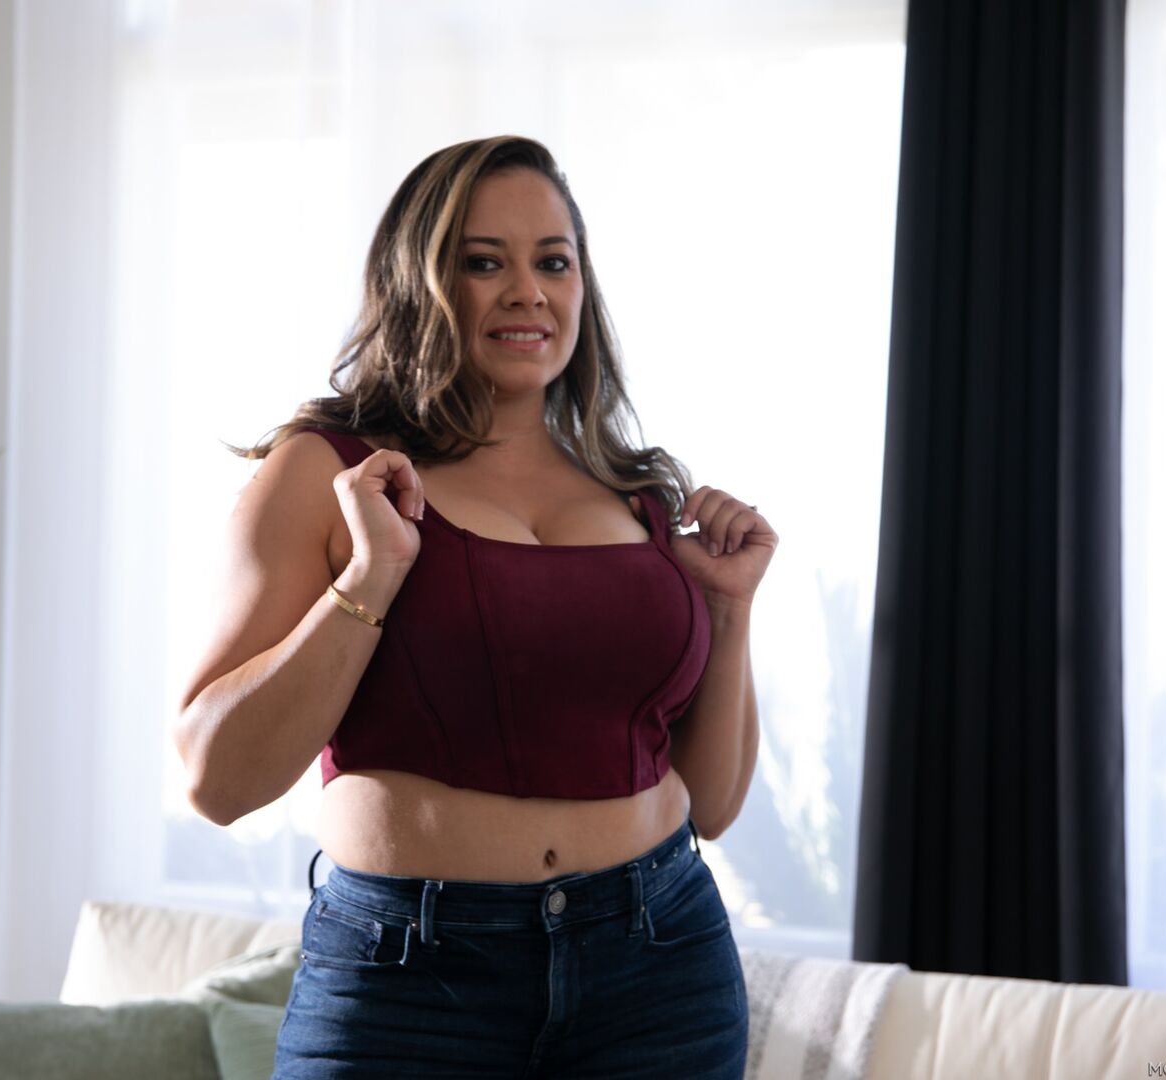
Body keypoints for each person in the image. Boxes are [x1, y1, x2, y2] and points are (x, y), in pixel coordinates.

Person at [175, 134, 777, 1079]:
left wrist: (729, 611)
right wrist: (371, 577)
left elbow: (713, 805)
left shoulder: (637, 496)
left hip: (658, 970)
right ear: (418, 282)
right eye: (484, 262)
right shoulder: (330, 472)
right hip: (410, 987)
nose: (528, 292)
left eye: (554, 263)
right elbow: (218, 781)